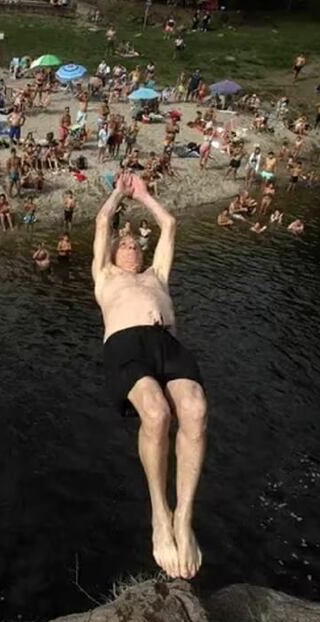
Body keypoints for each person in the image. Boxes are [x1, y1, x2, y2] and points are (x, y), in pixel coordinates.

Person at [92, 172, 206, 580]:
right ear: (112, 254)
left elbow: (169, 225)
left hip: (166, 342)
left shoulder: (157, 275)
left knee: (195, 410)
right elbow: (102, 223)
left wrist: (145, 196)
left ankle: (183, 517)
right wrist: (118, 194)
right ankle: (160, 513)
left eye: (135, 244)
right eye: (124, 245)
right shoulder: (105, 276)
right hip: (125, 345)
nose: (131, 247)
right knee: (156, 414)